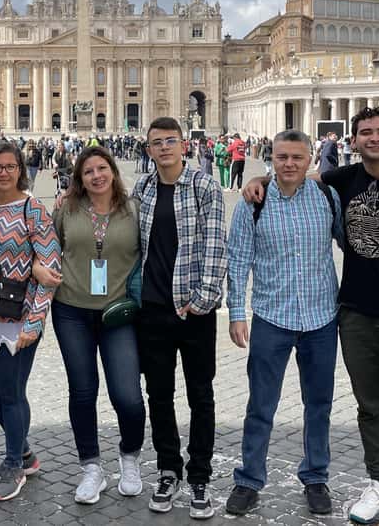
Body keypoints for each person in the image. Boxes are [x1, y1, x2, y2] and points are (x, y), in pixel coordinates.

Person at [243, 107, 379, 526]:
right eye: (365, 133)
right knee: (369, 407)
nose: (373, 138)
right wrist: (261, 180)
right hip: (357, 315)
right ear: (353, 140)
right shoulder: (344, 179)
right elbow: (296, 175)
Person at [225, 130, 343, 517]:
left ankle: (315, 476)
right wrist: (237, 313)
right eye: (281, 157)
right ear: (269, 159)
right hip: (271, 317)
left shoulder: (328, 198)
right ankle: (249, 479)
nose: (288, 164)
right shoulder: (252, 204)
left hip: (321, 317)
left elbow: (350, 246)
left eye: (296, 157)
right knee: (261, 404)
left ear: (310, 160)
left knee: (319, 404)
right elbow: (239, 259)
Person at [37, 146, 146, 504]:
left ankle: (129, 457)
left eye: (102, 168)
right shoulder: (66, 208)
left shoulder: (135, 210)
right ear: (79, 179)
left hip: (118, 312)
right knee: (82, 392)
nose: (96, 176)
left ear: (113, 171)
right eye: (88, 172)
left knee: (127, 396)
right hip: (71, 309)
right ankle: (91, 467)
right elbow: (46, 249)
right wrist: (39, 269)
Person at [131, 117, 227, 520]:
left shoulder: (205, 186)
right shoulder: (143, 188)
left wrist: (203, 300)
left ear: (184, 145)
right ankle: (169, 469)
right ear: (149, 149)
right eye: (157, 142)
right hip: (152, 310)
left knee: (200, 396)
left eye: (171, 141)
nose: (165, 148)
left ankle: (200, 475)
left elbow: (216, 244)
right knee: (159, 395)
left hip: (193, 311)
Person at [0, 143, 61, 501]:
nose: (4, 172)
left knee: (10, 390)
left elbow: (50, 271)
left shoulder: (33, 210)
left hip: (18, 318)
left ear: (20, 169)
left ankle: (14, 463)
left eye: (10, 166)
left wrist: (32, 326)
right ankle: (25, 452)